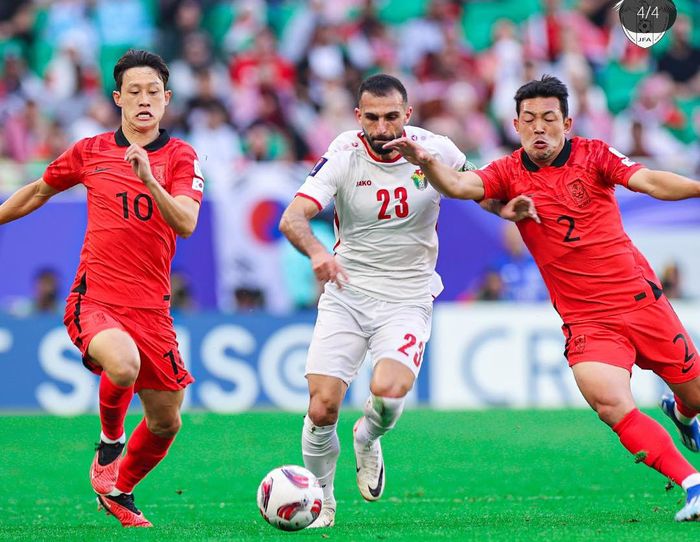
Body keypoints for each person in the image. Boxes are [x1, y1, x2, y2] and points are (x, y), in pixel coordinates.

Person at [385, 75, 700, 522]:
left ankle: (684, 413)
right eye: (529, 119)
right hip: (588, 323)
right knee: (611, 403)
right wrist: (425, 161)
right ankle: (693, 484)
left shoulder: (595, 155)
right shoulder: (508, 172)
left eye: (549, 119)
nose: (539, 128)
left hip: (641, 303)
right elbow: (457, 187)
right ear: (516, 124)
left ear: (566, 123)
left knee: (696, 393)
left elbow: (648, 180)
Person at [278, 73, 537, 528]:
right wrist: (318, 252)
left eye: (391, 118)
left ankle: (368, 436)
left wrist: (505, 209)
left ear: (407, 115)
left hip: (408, 295)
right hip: (347, 293)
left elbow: (477, 190)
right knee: (321, 408)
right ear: (358, 117)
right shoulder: (342, 155)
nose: (382, 129)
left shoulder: (435, 148)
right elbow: (293, 216)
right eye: (372, 118)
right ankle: (321, 503)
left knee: (390, 392)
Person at [0, 49, 205, 527]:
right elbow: (37, 191)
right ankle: (109, 441)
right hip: (96, 300)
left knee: (165, 421)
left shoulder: (181, 157)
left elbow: (188, 222)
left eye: (153, 91)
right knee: (123, 362)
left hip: (152, 310)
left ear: (167, 98)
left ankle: (119, 490)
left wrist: (149, 180)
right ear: (118, 98)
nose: (144, 100)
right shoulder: (90, 151)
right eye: (133, 92)